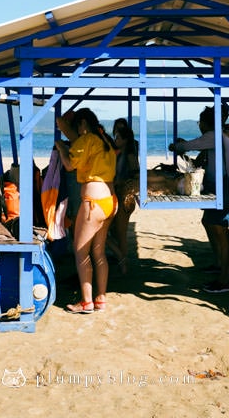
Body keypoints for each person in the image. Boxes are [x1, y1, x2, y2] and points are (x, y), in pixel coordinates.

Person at [53, 108, 118, 314]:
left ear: (82, 124)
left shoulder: (87, 138)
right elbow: (80, 144)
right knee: (98, 252)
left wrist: (61, 148)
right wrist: (68, 133)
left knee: (80, 252)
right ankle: (100, 299)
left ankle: (86, 301)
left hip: (93, 202)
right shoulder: (104, 140)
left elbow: (70, 164)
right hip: (109, 200)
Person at [170, 105, 229, 294]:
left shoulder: (214, 136)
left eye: (200, 121)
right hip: (219, 188)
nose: (199, 125)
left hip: (225, 189)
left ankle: (224, 278)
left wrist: (176, 146)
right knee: (209, 223)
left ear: (206, 123)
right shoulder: (217, 137)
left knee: (221, 231)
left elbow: (188, 146)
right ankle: (220, 265)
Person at [109, 118, 139, 274]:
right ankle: (120, 258)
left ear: (125, 139)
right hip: (121, 195)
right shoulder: (121, 152)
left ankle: (123, 262)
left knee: (120, 233)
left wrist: (122, 184)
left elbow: (135, 174)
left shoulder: (129, 155)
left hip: (125, 196)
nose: (115, 139)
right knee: (116, 230)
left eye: (118, 137)